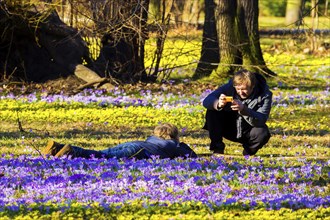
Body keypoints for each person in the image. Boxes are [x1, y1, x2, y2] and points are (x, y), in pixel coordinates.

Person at [202, 69, 272, 156]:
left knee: (263, 133)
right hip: (229, 126)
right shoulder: (229, 88)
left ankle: (248, 152)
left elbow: (261, 119)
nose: (240, 92)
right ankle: (217, 148)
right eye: (238, 89)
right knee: (213, 111)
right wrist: (218, 104)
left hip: (248, 129)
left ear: (253, 86)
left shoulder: (265, 95)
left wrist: (244, 110)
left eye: (244, 89)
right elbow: (207, 101)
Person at [42, 123, 197, 159]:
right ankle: (71, 152)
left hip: (132, 144)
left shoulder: (152, 139)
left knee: (102, 153)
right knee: (103, 157)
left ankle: (58, 148)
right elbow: (190, 155)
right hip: (139, 151)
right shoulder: (173, 145)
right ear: (174, 135)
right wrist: (181, 144)